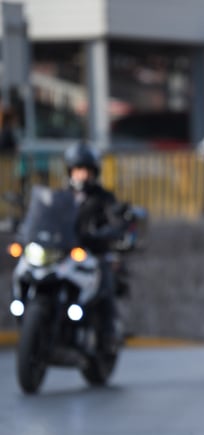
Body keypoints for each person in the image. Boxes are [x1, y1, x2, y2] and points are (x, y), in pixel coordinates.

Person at [64, 141, 130, 351]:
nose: (81, 175)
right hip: (65, 253)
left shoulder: (103, 197)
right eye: (77, 170)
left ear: (94, 172)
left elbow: (116, 219)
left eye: (86, 170)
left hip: (95, 252)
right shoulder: (62, 197)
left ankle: (109, 331)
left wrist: (110, 230)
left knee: (105, 276)